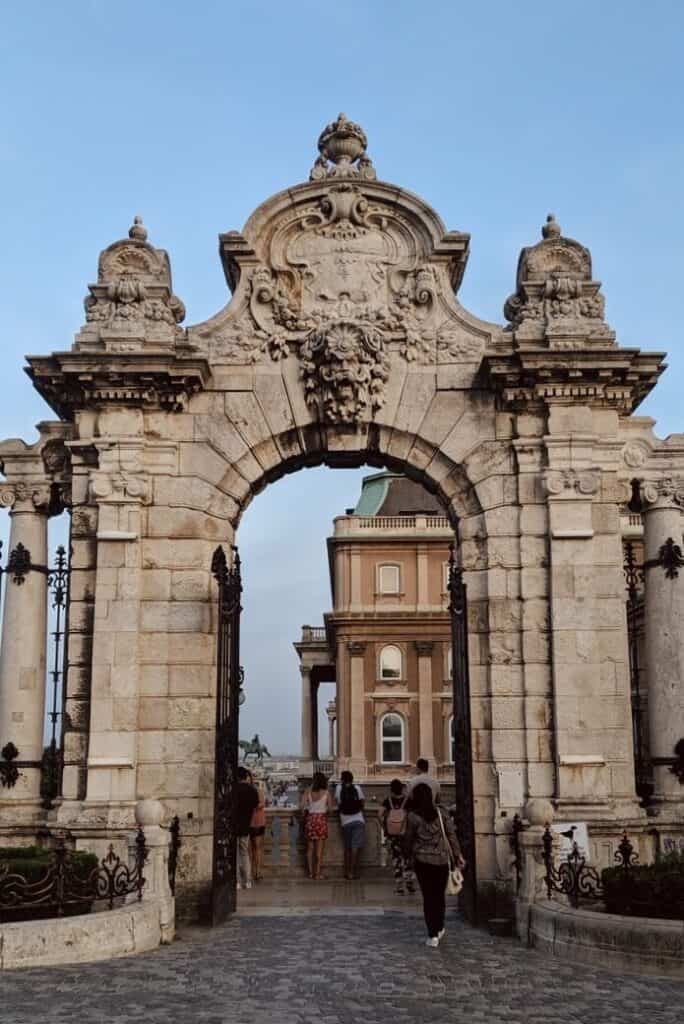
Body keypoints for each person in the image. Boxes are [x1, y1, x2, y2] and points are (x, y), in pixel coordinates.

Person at [404, 782, 465, 947]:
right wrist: (458, 855)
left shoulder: (413, 816)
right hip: (441, 860)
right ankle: (439, 926)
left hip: (422, 861)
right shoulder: (442, 813)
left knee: (428, 897)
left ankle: (432, 934)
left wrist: (407, 855)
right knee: (439, 896)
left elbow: (409, 838)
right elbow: (451, 835)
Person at [381, 778, 415, 895]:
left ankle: (399, 886)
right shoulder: (408, 801)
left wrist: (385, 827)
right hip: (406, 835)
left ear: (391, 789)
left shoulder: (388, 801)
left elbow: (380, 814)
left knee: (396, 859)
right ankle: (409, 882)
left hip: (392, 836)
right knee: (407, 859)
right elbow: (412, 816)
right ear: (402, 788)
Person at [334, 770, 365, 880]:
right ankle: (353, 872)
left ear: (342, 779)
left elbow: (338, 803)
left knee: (347, 848)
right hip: (358, 820)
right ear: (352, 779)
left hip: (345, 821)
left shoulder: (338, 788)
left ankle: (347, 872)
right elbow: (362, 803)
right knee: (355, 847)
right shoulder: (357, 788)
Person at [300, 772, 332, 879]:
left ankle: (310, 873)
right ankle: (317, 874)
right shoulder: (326, 793)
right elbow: (330, 809)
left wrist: (306, 813)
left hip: (310, 820)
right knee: (319, 850)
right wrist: (324, 811)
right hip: (321, 820)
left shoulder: (308, 791)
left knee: (310, 849)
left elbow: (302, 807)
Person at [234, 766, 259, 890]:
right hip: (245, 825)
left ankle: (237, 881)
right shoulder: (252, 790)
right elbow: (255, 805)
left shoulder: (233, 789)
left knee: (235, 855)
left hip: (233, 825)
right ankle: (248, 880)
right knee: (244, 853)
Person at [248, 770, 267, 882]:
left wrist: (251, 806)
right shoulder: (256, 790)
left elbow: (262, 803)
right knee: (251, 848)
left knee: (256, 847)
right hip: (251, 820)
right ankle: (252, 872)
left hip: (257, 820)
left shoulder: (257, 790)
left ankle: (257, 871)